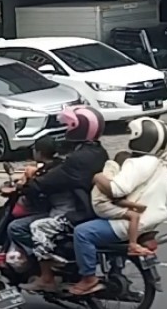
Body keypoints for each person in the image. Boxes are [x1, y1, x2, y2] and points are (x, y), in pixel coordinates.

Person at [70, 117, 167, 296]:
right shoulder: (161, 165)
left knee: (82, 233)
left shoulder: (137, 163)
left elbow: (117, 189)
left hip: (130, 221)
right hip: (150, 218)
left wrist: (98, 178)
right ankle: (115, 268)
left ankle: (88, 278)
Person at [18, 105, 109, 293]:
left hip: (79, 211)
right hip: (91, 205)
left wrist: (30, 185)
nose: (67, 130)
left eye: (69, 126)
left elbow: (53, 179)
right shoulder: (97, 151)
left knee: (38, 227)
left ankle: (46, 278)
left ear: (78, 127)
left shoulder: (78, 159)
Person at [5, 135, 62, 257]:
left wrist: (22, 187)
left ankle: (35, 256)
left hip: (53, 210)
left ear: (40, 153)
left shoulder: (51, 171)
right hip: (49, 206)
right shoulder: (54, 166)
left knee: (15, 227)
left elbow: (36, 189)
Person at [90, 151, 152, 256]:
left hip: (103, 204)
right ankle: (133, 244)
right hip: (103, 206)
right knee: (134, 216)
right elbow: (116, 199)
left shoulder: (106, 174)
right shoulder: (114, 181)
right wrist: (136, 206)